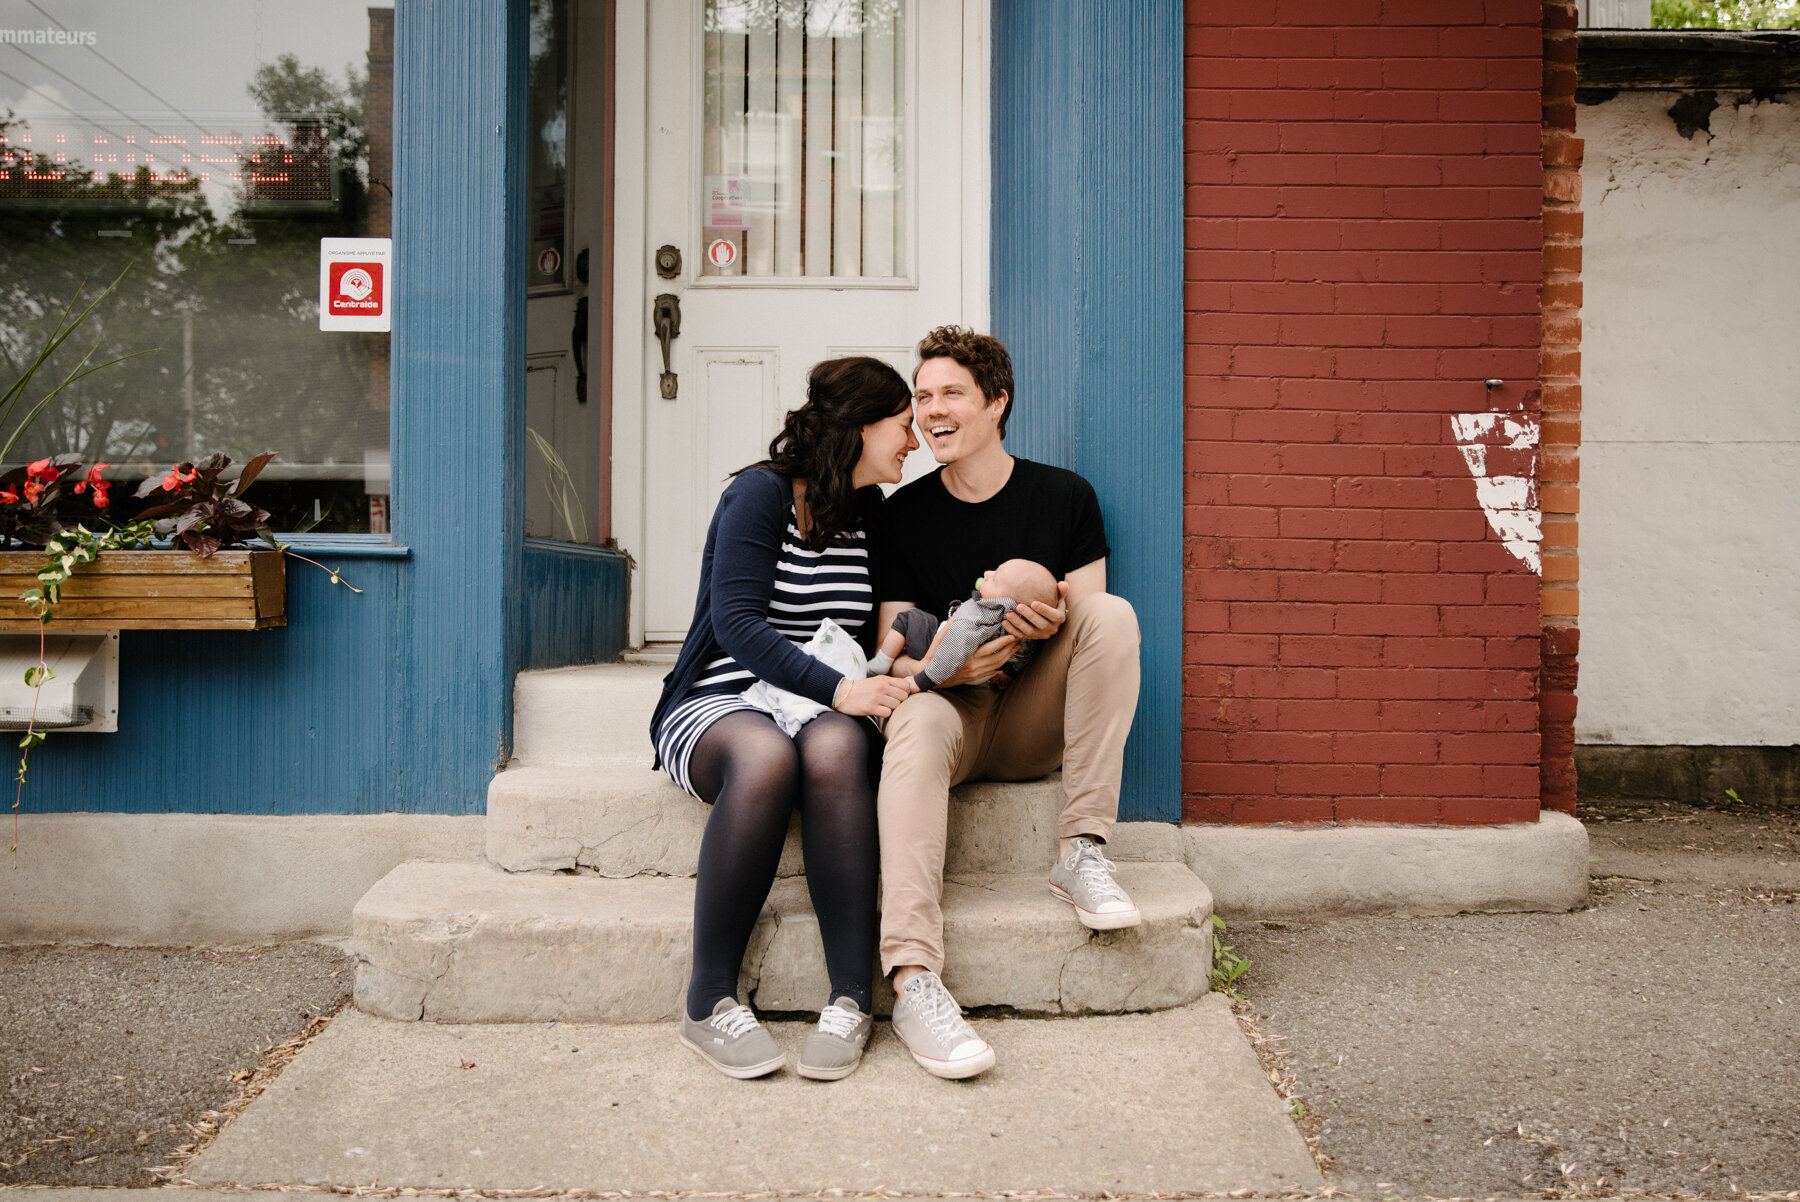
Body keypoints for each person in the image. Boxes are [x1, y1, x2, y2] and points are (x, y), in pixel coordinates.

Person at [873, 326, 1143, 1080]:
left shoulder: (1064, 497)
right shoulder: (899, 516)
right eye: (922, 398)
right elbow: (896, 650)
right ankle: (913, 976)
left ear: (997, 402)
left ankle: (1082, 852)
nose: (931, 411)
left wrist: (1044, 619)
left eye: (950, 393)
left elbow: (1088, 625)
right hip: (951, 717)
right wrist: (954, 665)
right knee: (918, 714)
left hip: (1030, 718)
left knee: (1112, 614)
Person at [648, 356, 918, 1081]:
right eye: (903, 425)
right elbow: (733, 623)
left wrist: (892, 669)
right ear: (862, 427)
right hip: (724, 697)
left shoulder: (873, 515)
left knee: (834, 755)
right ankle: (707, 1001)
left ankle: (851, 999)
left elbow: (889, 627)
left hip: (823, 702)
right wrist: (842, 690)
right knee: (766, 760)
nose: (912, 442)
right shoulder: (759, 496)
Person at [867, 558, 1059, 690]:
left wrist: (922, 680)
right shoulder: (1020, 633)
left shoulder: (975, 617)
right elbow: (1024, 655)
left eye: (995, 577)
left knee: (908, 618)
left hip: (935, 652)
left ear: (1006, 603)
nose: (987, 573)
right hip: (982, 676)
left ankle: (880, 664)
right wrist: (1008, 675)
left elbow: (955, 645)